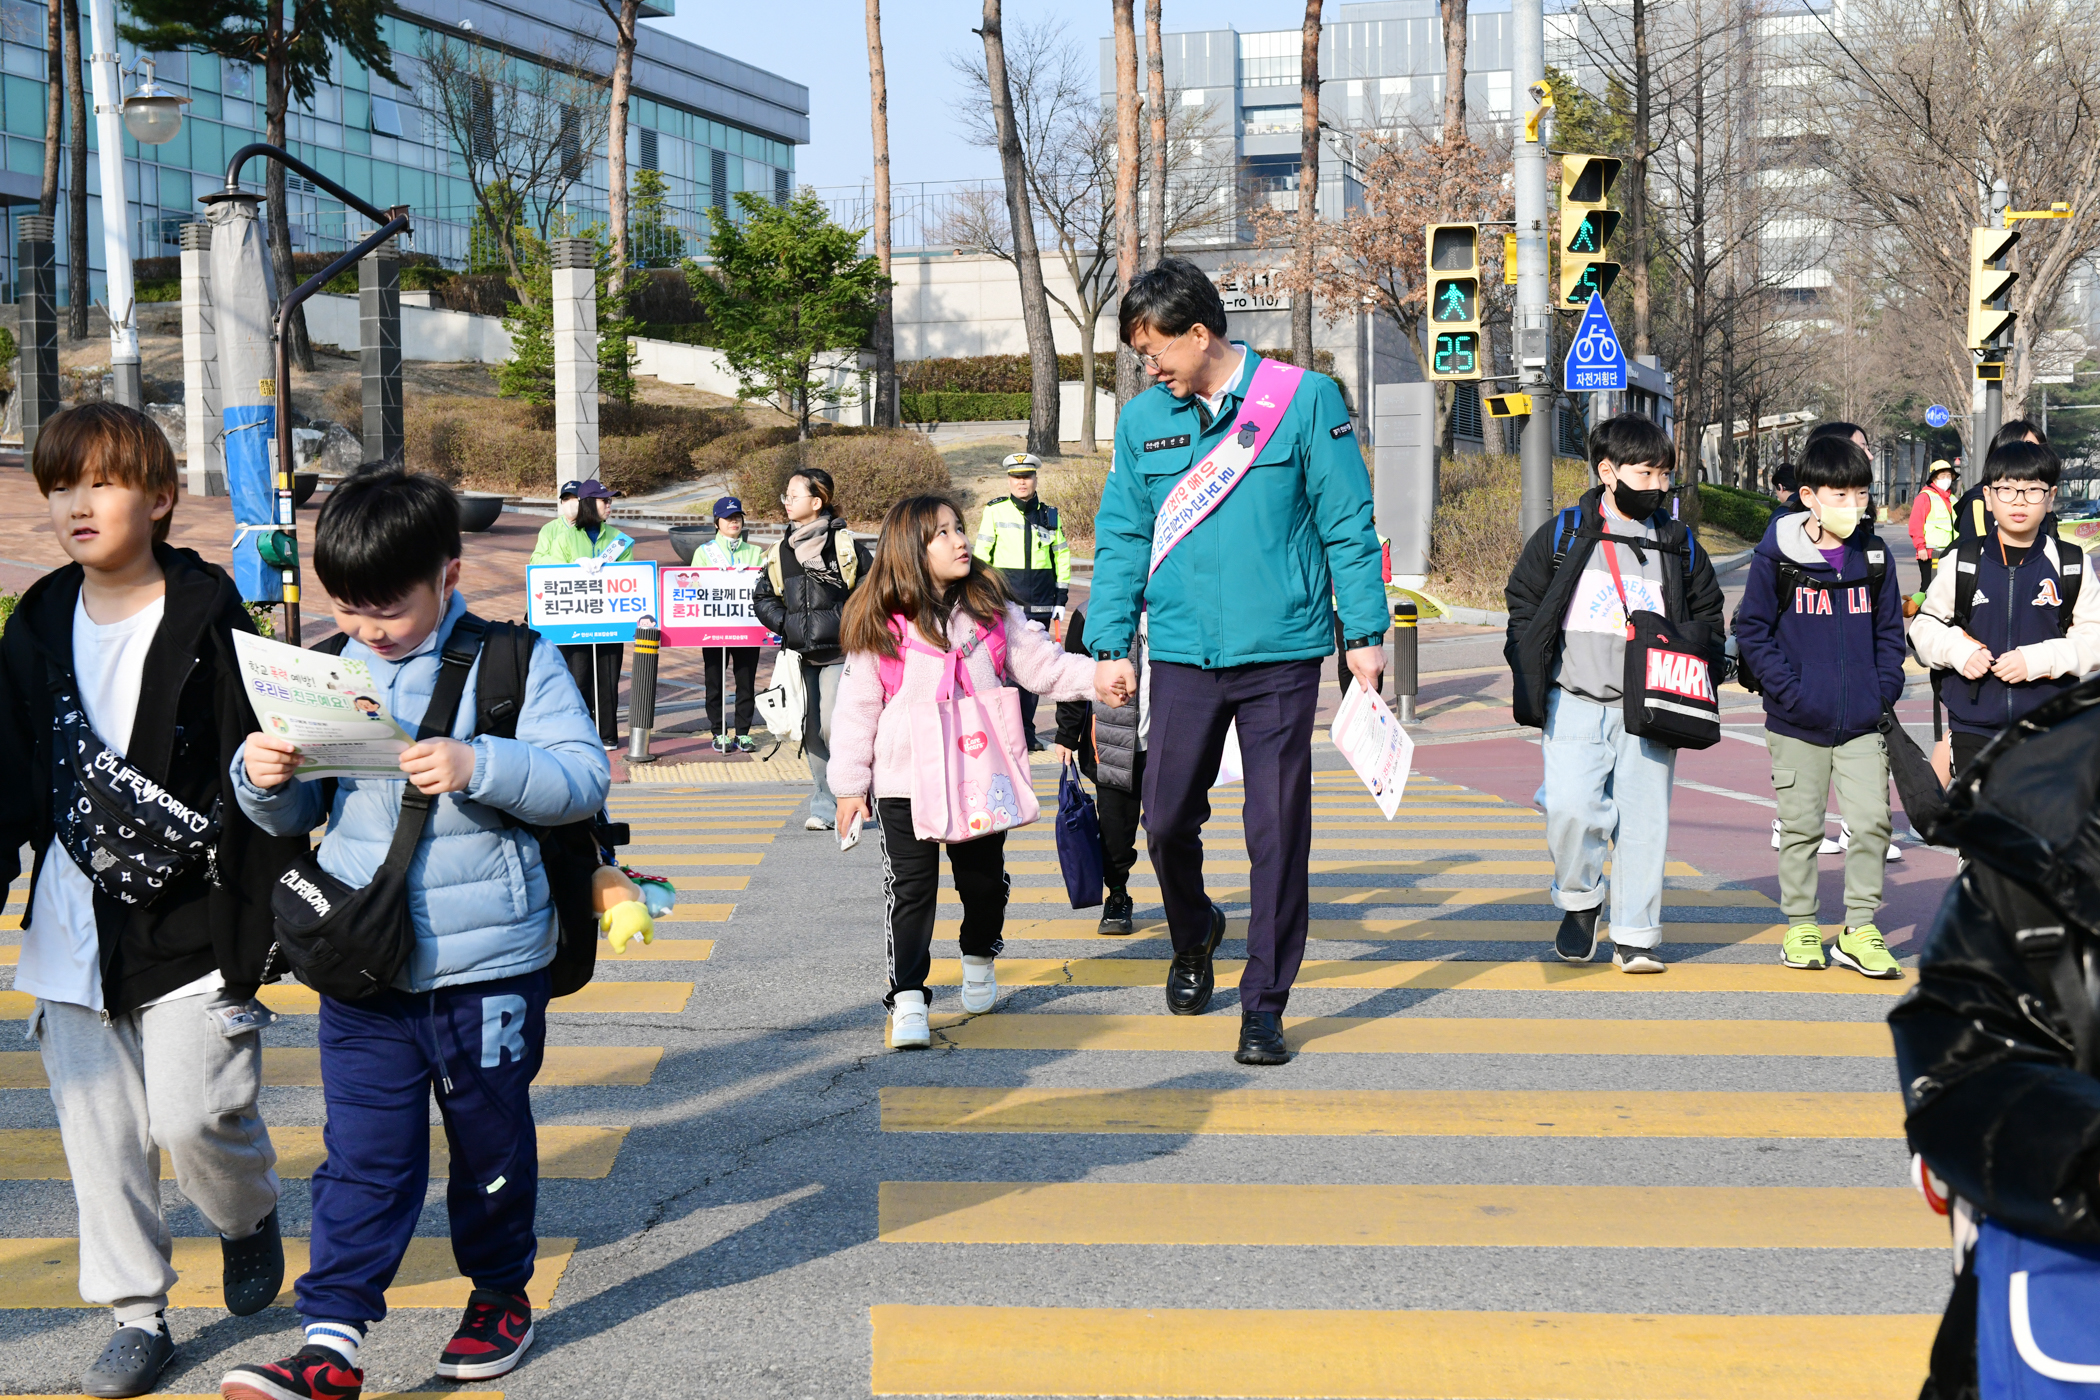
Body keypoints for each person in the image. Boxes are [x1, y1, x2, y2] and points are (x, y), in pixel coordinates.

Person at [222, 469, 610, 1400]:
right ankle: (331, 1341)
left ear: (448, 572)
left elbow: (582, 779)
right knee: (364, 1153)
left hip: (490, 967)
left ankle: (498, 1294)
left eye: (386, 609)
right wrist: (264, 774)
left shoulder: (515, 660)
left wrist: (479, 762)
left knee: (490, 1145)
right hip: (365, 962)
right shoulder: (327, 667)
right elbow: (291, 819)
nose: (367, 628)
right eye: (348, 609)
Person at [0, 404, 305, 1399]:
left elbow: (258, 778)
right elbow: (7, 773)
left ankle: (245, 1210)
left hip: (194, 914)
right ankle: (137, 1313)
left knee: (194, 1112)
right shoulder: (38, 620)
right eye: (60, 484)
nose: (77, 503)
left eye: (103, 482)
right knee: (97, 1129)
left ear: (162, 497)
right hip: (73, 919)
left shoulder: (213, 614)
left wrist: (269, 929)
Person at [1088, 257, 1387, 1066]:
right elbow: (1121, 535)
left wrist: (1363, 634)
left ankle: (1265, 1002)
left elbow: (1347, 526)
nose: (1150, 367)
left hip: (1282, 653)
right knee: (1164, 820)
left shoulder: (1303, 401)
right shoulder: (1144, 419)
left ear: (1200, 333)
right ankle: (1194, 936)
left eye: (1157, 350)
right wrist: (1111, 644)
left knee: (1277, 834)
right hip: (1183, 652)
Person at [828, 496, 1103, 1048]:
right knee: (911, 889)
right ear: (911, 550)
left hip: (980, 774)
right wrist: (850, 787)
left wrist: (1100, 679)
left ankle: (979, 954)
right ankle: (908, 998)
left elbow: (1044, 667)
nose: (961, 541)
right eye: (943, 534)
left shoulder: (991, 609)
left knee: (980, 885)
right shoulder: (881, 620)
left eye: (960, 528)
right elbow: (857, 708)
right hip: (904, 780)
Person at [1504, 412, 1724, 974]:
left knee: (1646, 823)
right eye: (1646, 473)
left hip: (1650, 707)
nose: (1658, 485)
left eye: (1664, 474)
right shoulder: (1566, 533)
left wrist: (1701, 658)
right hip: (1574, 699)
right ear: (1608, 471)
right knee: (1572, 812)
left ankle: (1635, 935)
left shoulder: (1678, 543)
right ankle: (1580, 902)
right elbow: (1523, 598)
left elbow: (1708, 612)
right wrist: (1528, 661)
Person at [1731, 434, 1908, 979]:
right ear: (1808, 495)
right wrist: (1791, 690)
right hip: (1795, 720)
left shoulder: (1874, 556)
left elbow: (1888, 633)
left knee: (1873, 822)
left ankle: (1859, 928)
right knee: (1801, 827)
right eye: (1839, 494)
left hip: (1861, 720)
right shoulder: (1776, 558)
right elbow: (1751, 630)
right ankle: (1801, 924)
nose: (1852, 505)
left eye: (1860, 493)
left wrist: (1883, 688)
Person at [1907, 439, 2100, 778]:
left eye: (2032, 490)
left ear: (2051, 496)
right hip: (1973, 727)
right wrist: (1957, 650)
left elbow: (2094, 639)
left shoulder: (2072, 564)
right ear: (1988, 496)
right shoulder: (1963, 561)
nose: (2019, 501)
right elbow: (1924, 628)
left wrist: (2039, 660)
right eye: (2006, 489)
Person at [752, 467, 872, 831]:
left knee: (836, 727)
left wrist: (843, 622)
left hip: (842, 652)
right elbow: (763, 596)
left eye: (793, 495)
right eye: (785, 496)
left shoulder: (845, 546)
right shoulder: (780, 551)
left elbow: (870, 590)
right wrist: (785, 625)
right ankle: (824, 807)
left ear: (817, 502)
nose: (787, 502)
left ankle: (860, 799)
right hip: (801, 655)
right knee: (811, 729)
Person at [1054, 607, 1149, 935]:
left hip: (1167, 739)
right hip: (1109, 741)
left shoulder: (1178, 599)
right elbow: (1073, 675)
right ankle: (1118, 895)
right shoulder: (1090, 611)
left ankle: (1186, 898)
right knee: (1115, 831)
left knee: (1174, 827)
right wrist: (1067, 734)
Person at [974, 453, 1072, 750]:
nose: (1021, 482)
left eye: (1026, 476)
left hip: (1041, 603)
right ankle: (1004, 731)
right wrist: (979, 596)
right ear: (1009, 480)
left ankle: (1027, 734)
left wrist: (1062, 597)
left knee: (1033, 672)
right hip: (1005, 603)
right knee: (1000, 669)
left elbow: (1062, 556)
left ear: (1035, 479)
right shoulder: (995, 512)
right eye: (1016, 477)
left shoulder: (1050, 515)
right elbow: (981, 558)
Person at [527, 478, 634, 748]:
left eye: (610, 501)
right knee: (578, 677)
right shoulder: (564, 536)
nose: (609, 505)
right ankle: (581, 734)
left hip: (610, 620)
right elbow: (539, 563)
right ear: (589, 504)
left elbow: (632, 575)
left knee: (608, 678)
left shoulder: (619, 540)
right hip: (573, 621)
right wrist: (574, 563)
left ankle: (608, 734)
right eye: (604, 501)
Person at [696, 495, 765, 754]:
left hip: (746, 627)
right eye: (728, 518)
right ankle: (718, 731)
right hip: (714, 628)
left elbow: (764, 588)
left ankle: (743, 732)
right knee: (714, 681)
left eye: (737, 517)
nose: (734, 521)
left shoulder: (755, 552)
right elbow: (691, 588)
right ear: (717, 522)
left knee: (746, 680)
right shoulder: (704, 553)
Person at [1908, 460, 1959, 590]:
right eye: (1942, 476)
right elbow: (1916, 524)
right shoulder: (1925, 497)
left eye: (1949, 476)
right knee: (1928, 587)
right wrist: (1920, 548)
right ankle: (1918, 609)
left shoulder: (1952, 498)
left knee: (1946, 588)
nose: (1946, 479)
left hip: (1950, 552)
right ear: (1934, 479)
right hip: (1930, 554)